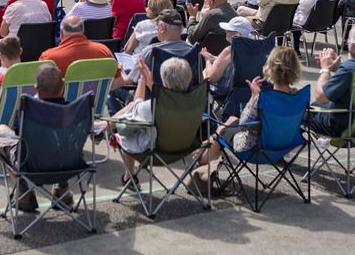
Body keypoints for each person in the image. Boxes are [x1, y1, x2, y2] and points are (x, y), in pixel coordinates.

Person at [199, 45, 303, 163]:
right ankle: (202, 155)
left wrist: (253, 97)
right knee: (231, 119)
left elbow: (243, 124)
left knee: (222, 129)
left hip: (255, 148)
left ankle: (200, 160)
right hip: (284, 145)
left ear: (270, 68)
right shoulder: (299, 95)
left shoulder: (263, 99)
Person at [0, 63, 71, 212]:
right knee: (61, 147)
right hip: (67, 166)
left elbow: (18, 134)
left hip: (30, 168)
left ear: (36, 88)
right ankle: (62, 189)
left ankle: (23, 192)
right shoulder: (73, 110)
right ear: (63, 85)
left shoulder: (26, 108)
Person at [111, 56, 193, 186]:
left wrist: (142, 79)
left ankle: (130, 175)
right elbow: (164, 96)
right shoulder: (193, 102)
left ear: (164, 82)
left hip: (153, 150)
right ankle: (129, 176)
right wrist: (149, 81)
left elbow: (136, 106)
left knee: (124, 133)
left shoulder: (151, 106)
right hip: (182, 148)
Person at [39, 16, 123, 86]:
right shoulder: (103, 51)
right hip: (93, 104)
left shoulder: (49, 57)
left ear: (61, 33)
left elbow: (41, 87)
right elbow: (119, 81)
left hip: (62, 104)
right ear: (83, 31)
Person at [200, 16, 256, 100]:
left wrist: (207, 61)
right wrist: (215, 59)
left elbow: (211, 78)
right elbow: (234, 63)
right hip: (248, 89)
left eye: (229, 30)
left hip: (226, 91)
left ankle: (207, 110)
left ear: (236, 34)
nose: (226, 31)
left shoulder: (230, 51)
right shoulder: (254, 48)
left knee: (202, 75)